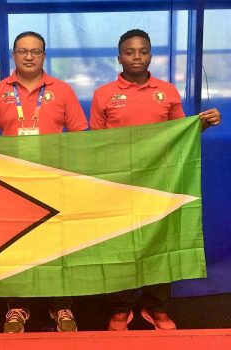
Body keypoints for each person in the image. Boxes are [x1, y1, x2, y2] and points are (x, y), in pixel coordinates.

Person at [90, 29, 221, 331]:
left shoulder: (168, 91)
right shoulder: (103, 94)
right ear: (119, 56)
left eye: (143, 51)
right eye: (130, 51)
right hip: (119, 183)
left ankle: (156, 308)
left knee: (160, 245)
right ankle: (120, 309)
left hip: (160, 183)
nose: (137, 57)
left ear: (150, 55)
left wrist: (202, 124)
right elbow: (95, 144)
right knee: (120, 246)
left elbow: (181, 135)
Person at [0, 31, 88, 333]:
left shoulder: (62, 90)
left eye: (35, 51)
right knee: (16, 245)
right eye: (23, 51)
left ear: (43, 56)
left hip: (55, 180)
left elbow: (80, 136)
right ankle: (17, 307)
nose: (28, 56)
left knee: (58, 244)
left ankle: (60, 305)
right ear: (13, 55)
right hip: (13, 183)